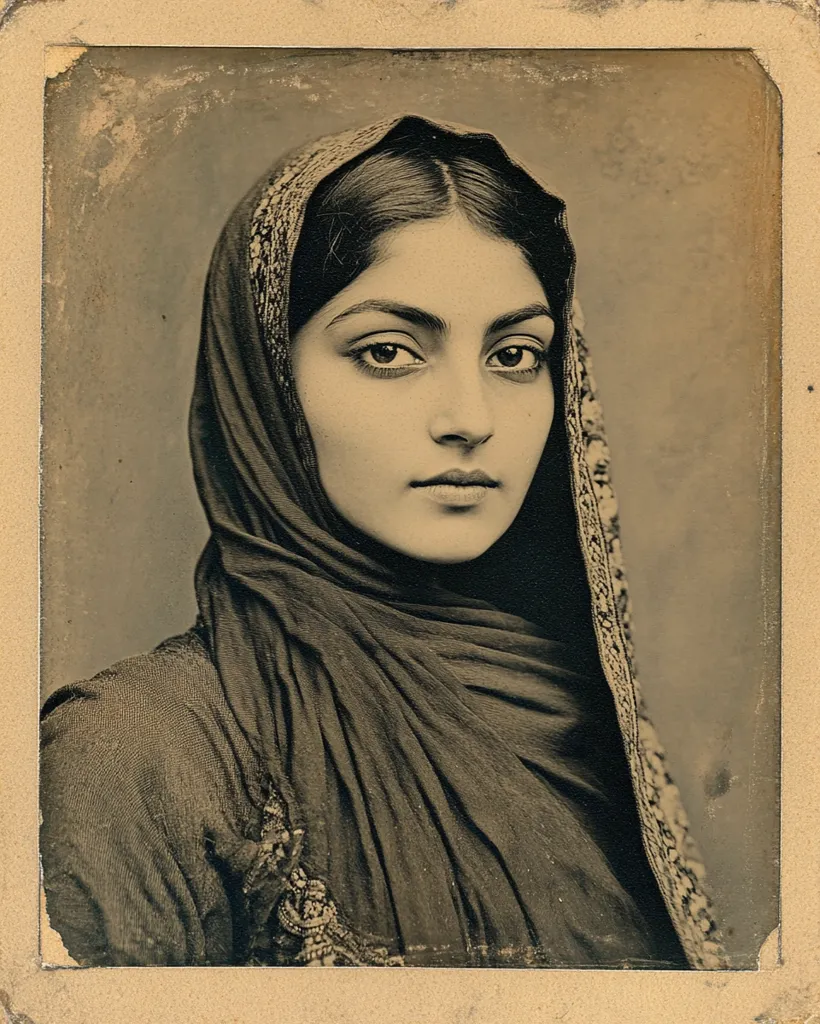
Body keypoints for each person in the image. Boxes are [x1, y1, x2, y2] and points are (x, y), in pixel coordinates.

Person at [40, 114, 724, 969]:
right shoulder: (139, 752)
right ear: (267, 377)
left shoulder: (577, 713)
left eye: (515, 356)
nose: (471, 421)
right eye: (390, 351)